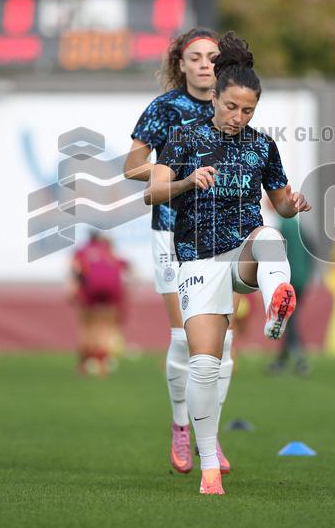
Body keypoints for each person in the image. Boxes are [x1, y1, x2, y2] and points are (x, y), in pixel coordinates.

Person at [145, 32, 311, 495]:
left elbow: (280, 202)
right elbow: (151, 192)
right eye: (232, 107)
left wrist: (295, 202)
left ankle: (277, 302)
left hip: (243, 255)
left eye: (249, 111)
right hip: (197, 259)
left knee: (272, 237)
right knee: (205, 364)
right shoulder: (183, 138)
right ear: (214, 97)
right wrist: (186, 182)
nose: (239, 117)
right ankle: (209, 466)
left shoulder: (262, 146)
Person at [124, 28, 238, 475]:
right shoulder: (165, 108)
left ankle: (210, 433)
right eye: (196, 57)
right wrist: (179, 169)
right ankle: (180, 427)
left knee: (222, 345)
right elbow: (132, 167)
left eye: (213, 56)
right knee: (181, 339)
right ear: (181, 64)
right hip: (172, 231)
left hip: (222, 233)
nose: (205, 63)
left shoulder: (232, 103)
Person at [70, 232, 128, 376]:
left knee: (87, 327)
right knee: (105, 327)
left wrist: (73, 290)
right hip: (111, 289)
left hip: (90, 288)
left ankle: (84, 364)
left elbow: (76, 270)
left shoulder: (81, 251)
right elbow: (125, 267)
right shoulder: (108, 250)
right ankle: (102, 364)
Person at [267, 215, 311, 376]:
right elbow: (311, 249)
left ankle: (300, 360)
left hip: (288, 280)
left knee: (287, 321)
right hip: (301, 278)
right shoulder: (297, 225)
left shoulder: (281, 226)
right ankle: (281, 361)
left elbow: (273, 254)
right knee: (287, 320)